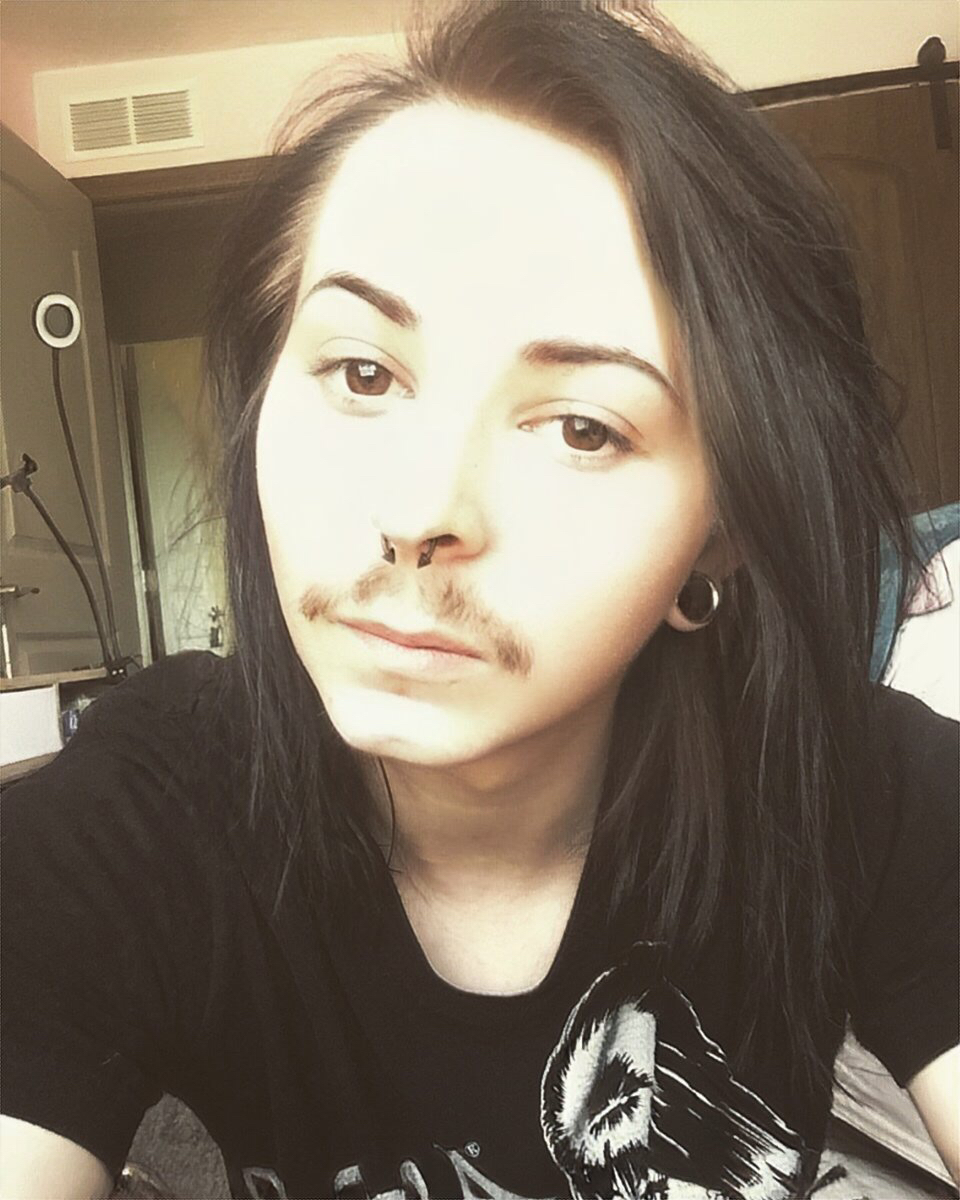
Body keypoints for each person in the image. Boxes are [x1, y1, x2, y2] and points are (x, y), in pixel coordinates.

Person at [2, 2, 957, 1197]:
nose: (419, 509)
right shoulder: (145, 817)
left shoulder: (853, 788)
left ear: (719, 537)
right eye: (362, 372)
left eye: (582, 428)